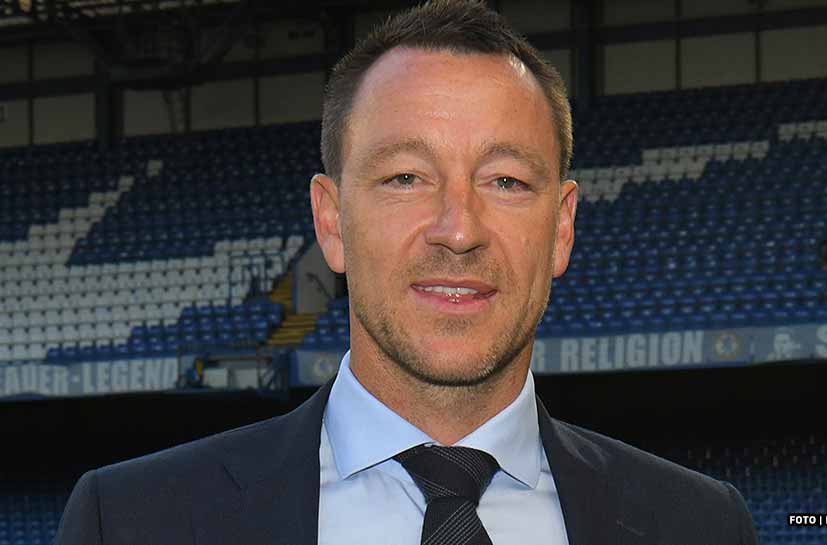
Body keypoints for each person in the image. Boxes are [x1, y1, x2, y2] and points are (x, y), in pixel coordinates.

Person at [55, 1, 758, 544]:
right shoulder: (128, 520)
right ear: (332, 221)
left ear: (562, 228)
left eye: (507, 181)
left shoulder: (701, 524)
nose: (459, 229)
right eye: (405, 178)